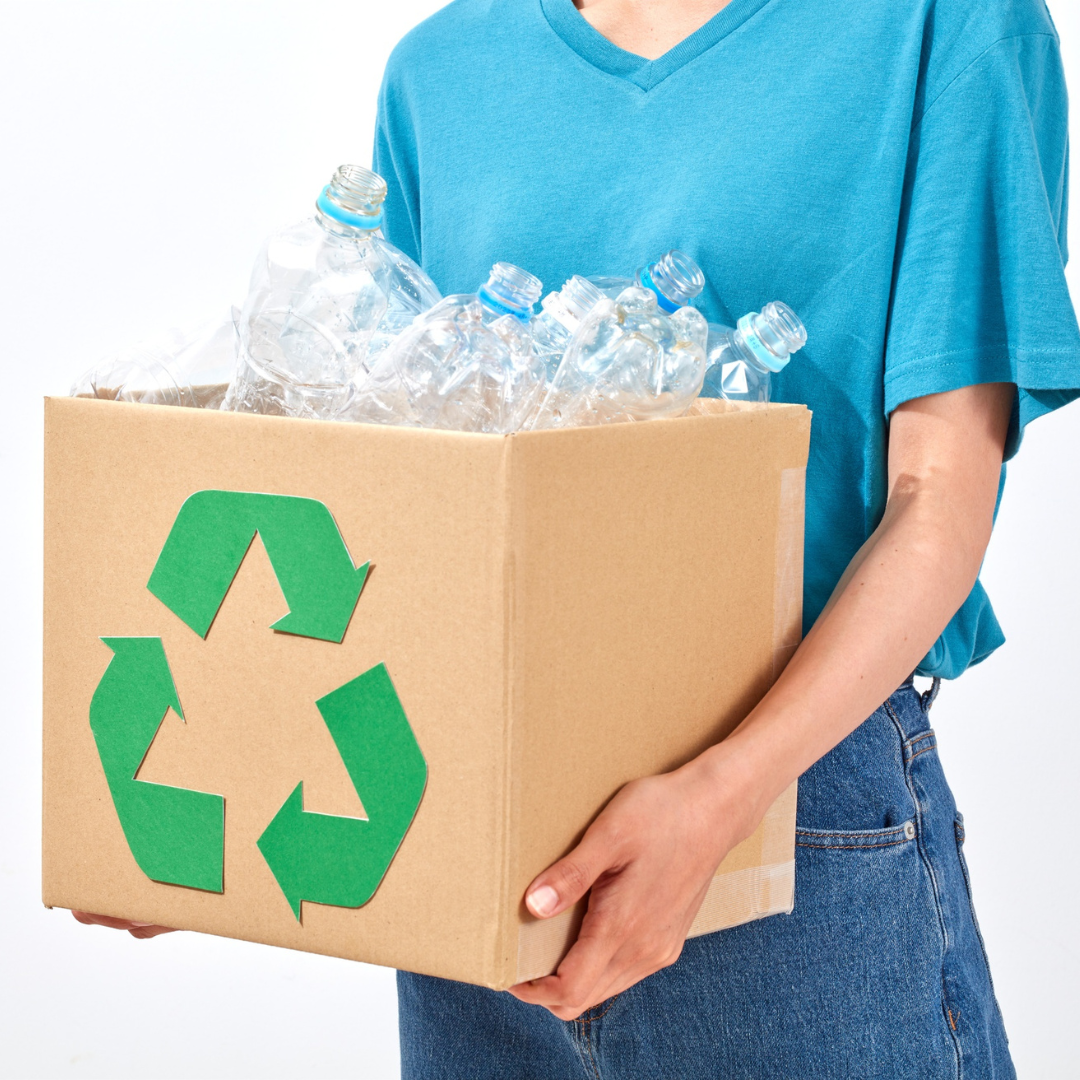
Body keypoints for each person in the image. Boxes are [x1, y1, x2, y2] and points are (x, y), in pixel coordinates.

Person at [79, 0, 1080, 1075]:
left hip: (786, 813)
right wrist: (222, 788)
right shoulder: (443, 71)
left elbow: (939, 500)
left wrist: (721, 794)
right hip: (480, 812)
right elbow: (401, 490)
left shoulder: (938, 29)